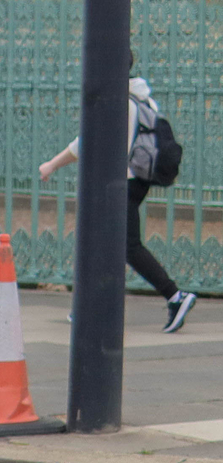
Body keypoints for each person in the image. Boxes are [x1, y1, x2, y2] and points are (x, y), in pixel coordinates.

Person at [40, 64, 196, 333]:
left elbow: (87, 141)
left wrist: (52, 164)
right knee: (101, 241)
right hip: (136, 181)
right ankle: (89, 307)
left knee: (127, 246)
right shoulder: (142, 96)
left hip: (120, 182)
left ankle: (175, 296)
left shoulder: (120, 101)